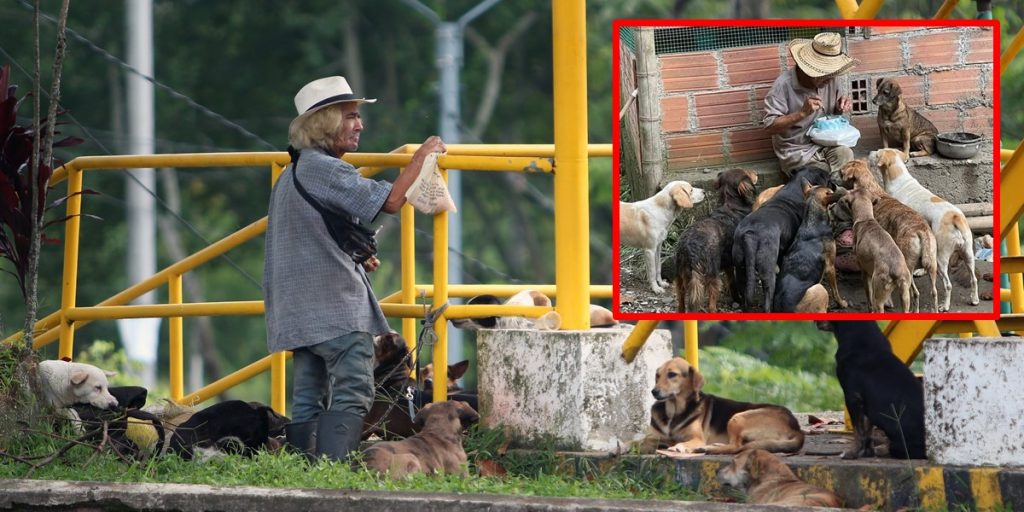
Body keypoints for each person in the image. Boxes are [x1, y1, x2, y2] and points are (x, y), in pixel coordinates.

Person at [263, 76, 446, 461]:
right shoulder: (325, 169)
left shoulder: (292, 173)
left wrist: (355, 253)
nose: (359, 125)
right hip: (332, 306)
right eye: (351, 116)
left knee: (309, 390)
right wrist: (422, 156)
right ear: (325, 124)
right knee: (355, 385)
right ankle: (333, 468)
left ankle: (303, 469)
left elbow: (312, 234)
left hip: (298, 308)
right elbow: (392, 202)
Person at [763, 32, 858, 182]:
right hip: (797, 151)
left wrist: (840, 108)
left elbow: (833, 115)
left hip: (826, 143)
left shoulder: (830, 79)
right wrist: (801, 114)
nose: (829, 79)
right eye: (823, 74)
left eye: (831, 73)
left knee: (846, 155)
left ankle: (834, 194)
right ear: (807, 69)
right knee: (821, 174)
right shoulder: (782, 86)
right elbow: (770, 127)